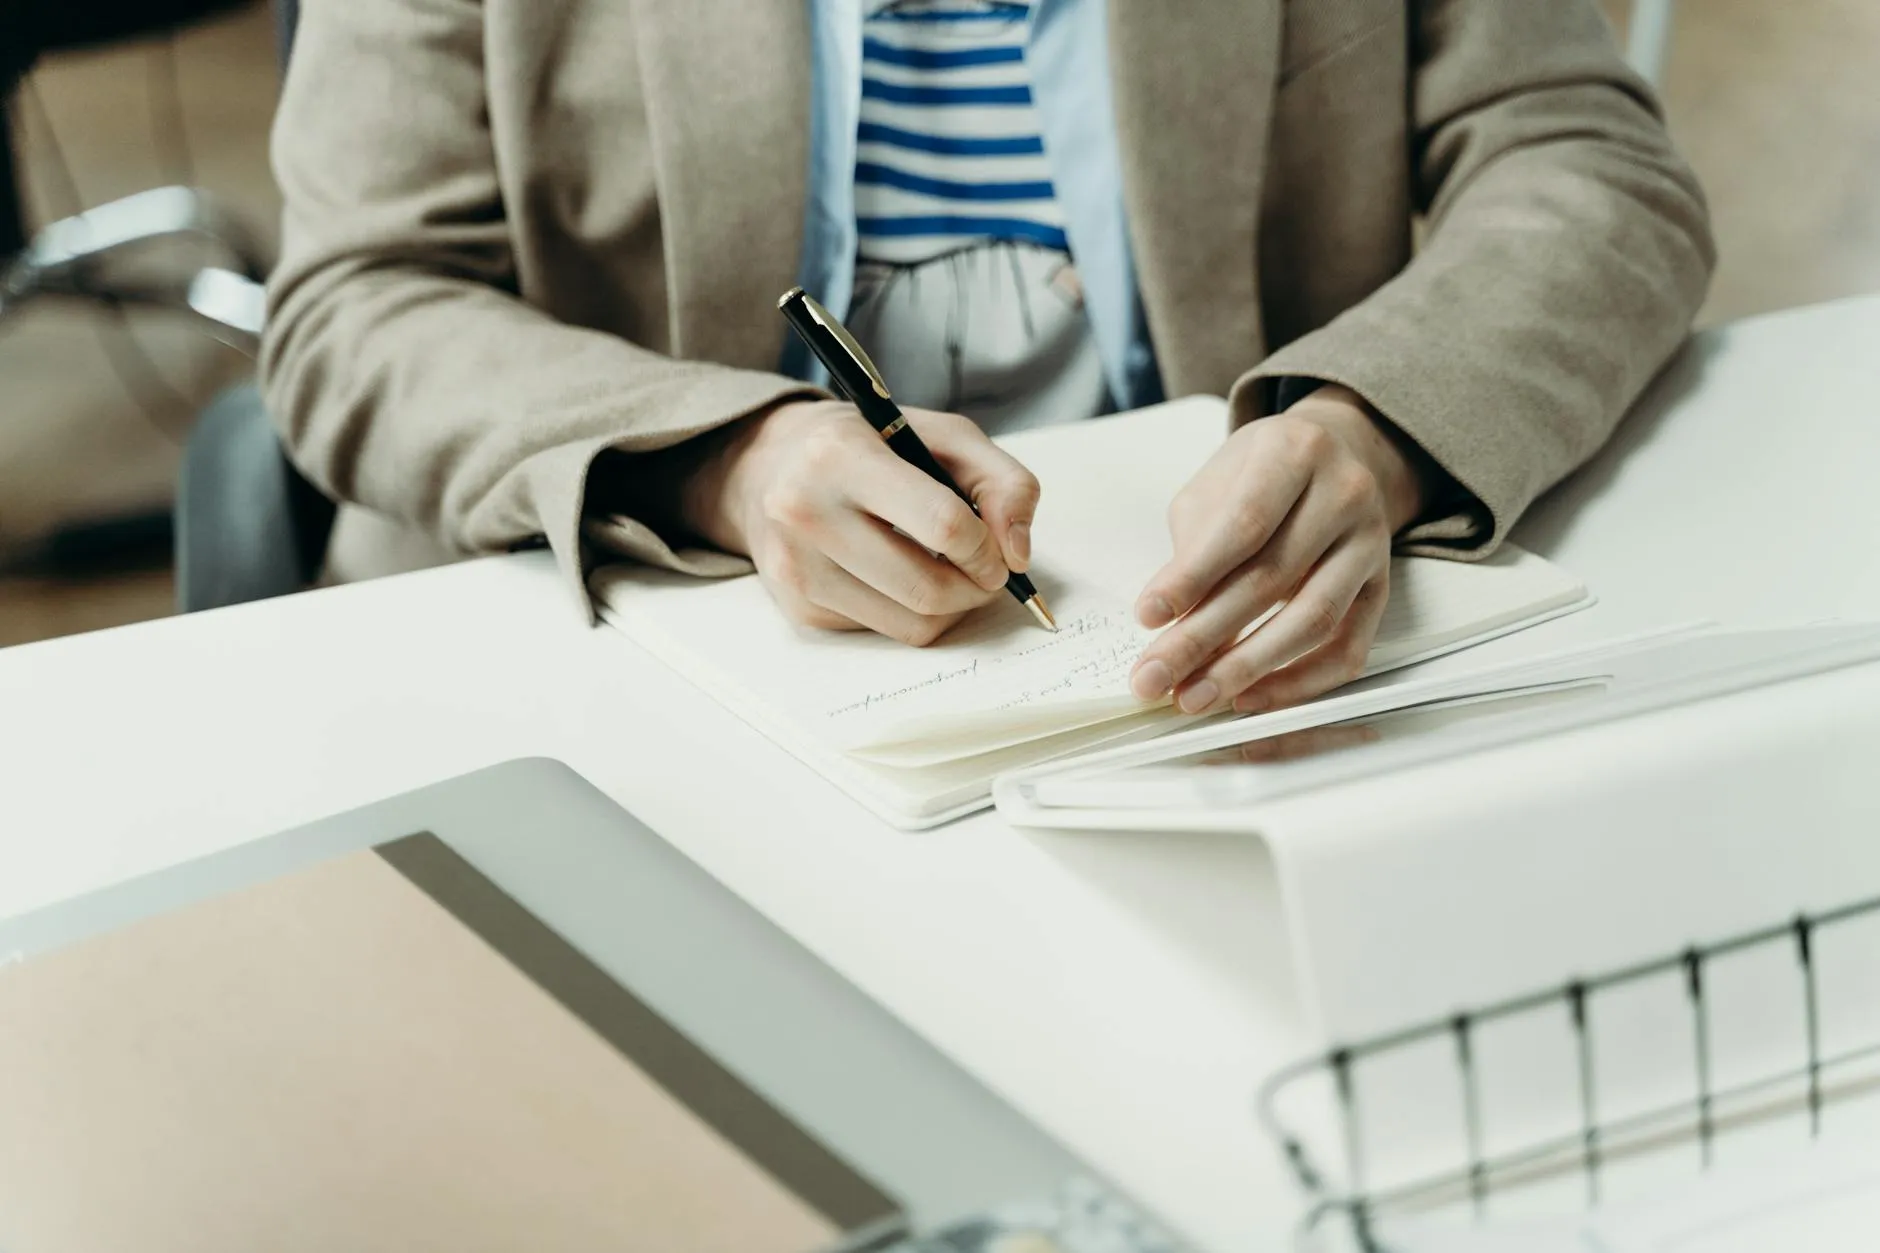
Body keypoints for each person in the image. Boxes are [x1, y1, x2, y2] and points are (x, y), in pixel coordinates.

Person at [261, 0, 1713, 718]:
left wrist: (1377, 428)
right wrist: (723, 461)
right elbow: (357, 300)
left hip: (1209, 682)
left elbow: (1584, 161)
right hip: (647, 676)